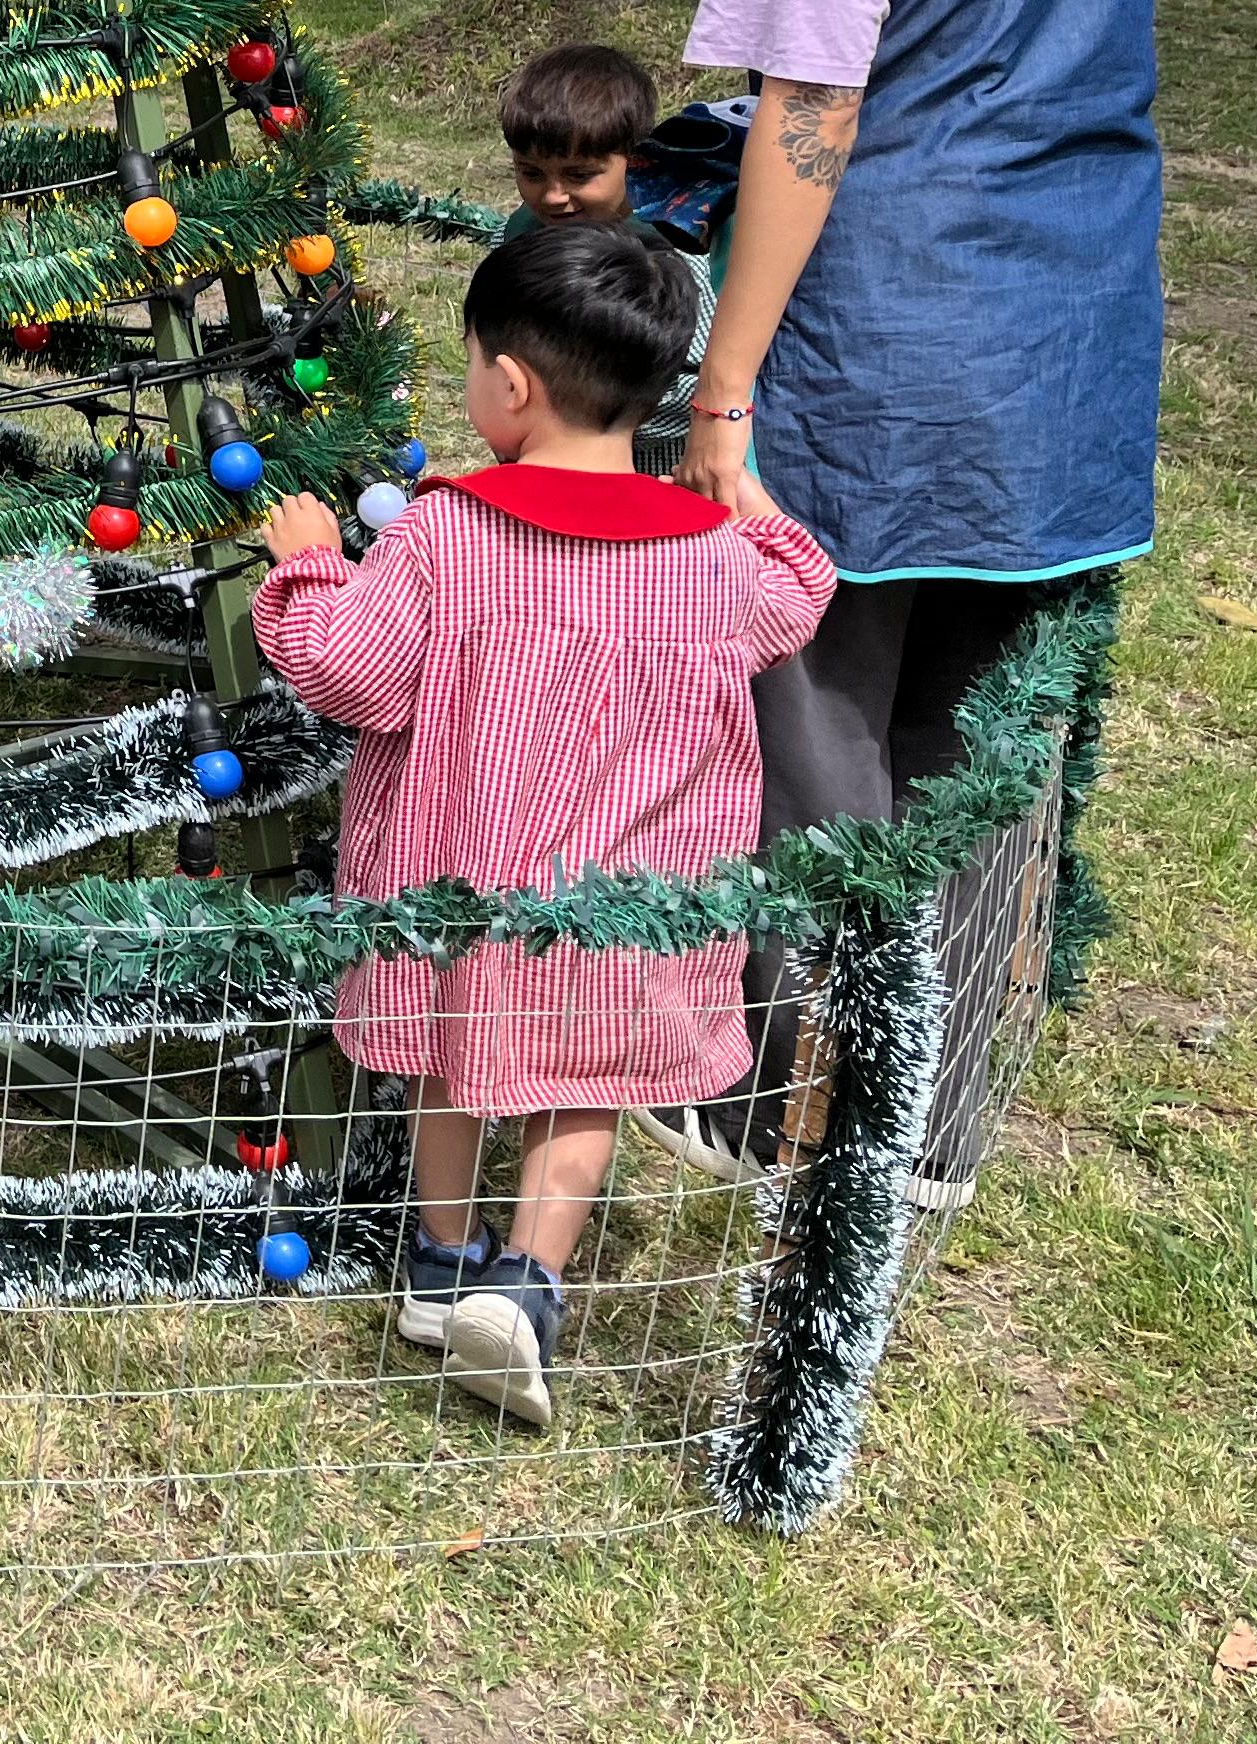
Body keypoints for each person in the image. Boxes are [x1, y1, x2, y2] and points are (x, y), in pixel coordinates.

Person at [649, 0, 1161, 1206]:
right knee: (971, 714)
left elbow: (813, 104)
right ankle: (928, 1130)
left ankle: (768, 1098)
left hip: (892, 313)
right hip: (1073, 311)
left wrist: (723, 397)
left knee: (812, 700)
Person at [256, 221, 834, 1428]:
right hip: (629, 905)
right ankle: (528, 1285)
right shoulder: (718, 559)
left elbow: (352, 674)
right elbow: (802, 580)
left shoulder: (446, 539)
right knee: (587, 1078)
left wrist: (312, 567)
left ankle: (437, 1263)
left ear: (507, 385)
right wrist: (732, 480)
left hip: (461, 885)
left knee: (456, 1056)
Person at [495, 41, 717, 477]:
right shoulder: (523, 236)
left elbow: (700, 383)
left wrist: (575, 410)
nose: (554, 196)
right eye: (531, 173)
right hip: (542, 475)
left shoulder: (671, 253)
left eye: (580, 175)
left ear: (636, 161)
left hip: (652, 482)